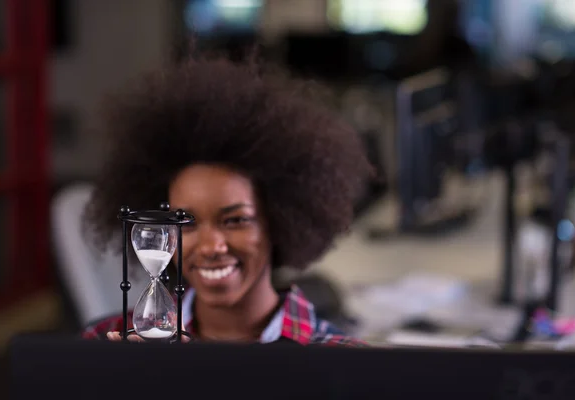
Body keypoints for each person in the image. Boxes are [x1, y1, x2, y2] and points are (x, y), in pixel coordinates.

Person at [81, 53, 373, 346]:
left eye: (235, 220)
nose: (211, 247)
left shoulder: (342, 361)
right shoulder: (109, 342)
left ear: (279, 221)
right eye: (187, 223)